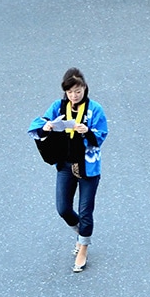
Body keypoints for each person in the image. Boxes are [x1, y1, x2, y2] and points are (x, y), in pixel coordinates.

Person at [29, 67, 108, 273]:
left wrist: (88, 131)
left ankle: (83, 247)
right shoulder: (59, 106)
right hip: (65, 164)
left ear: (85, 89)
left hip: (87, 166)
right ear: (65, 92)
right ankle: (81, 232)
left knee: (85, 210)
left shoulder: (95, 109)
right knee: (63, 208)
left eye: (78, 91)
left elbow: (101, 135)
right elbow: (39, 123)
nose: (74, 96)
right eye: (70, 92)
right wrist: (46, 126)